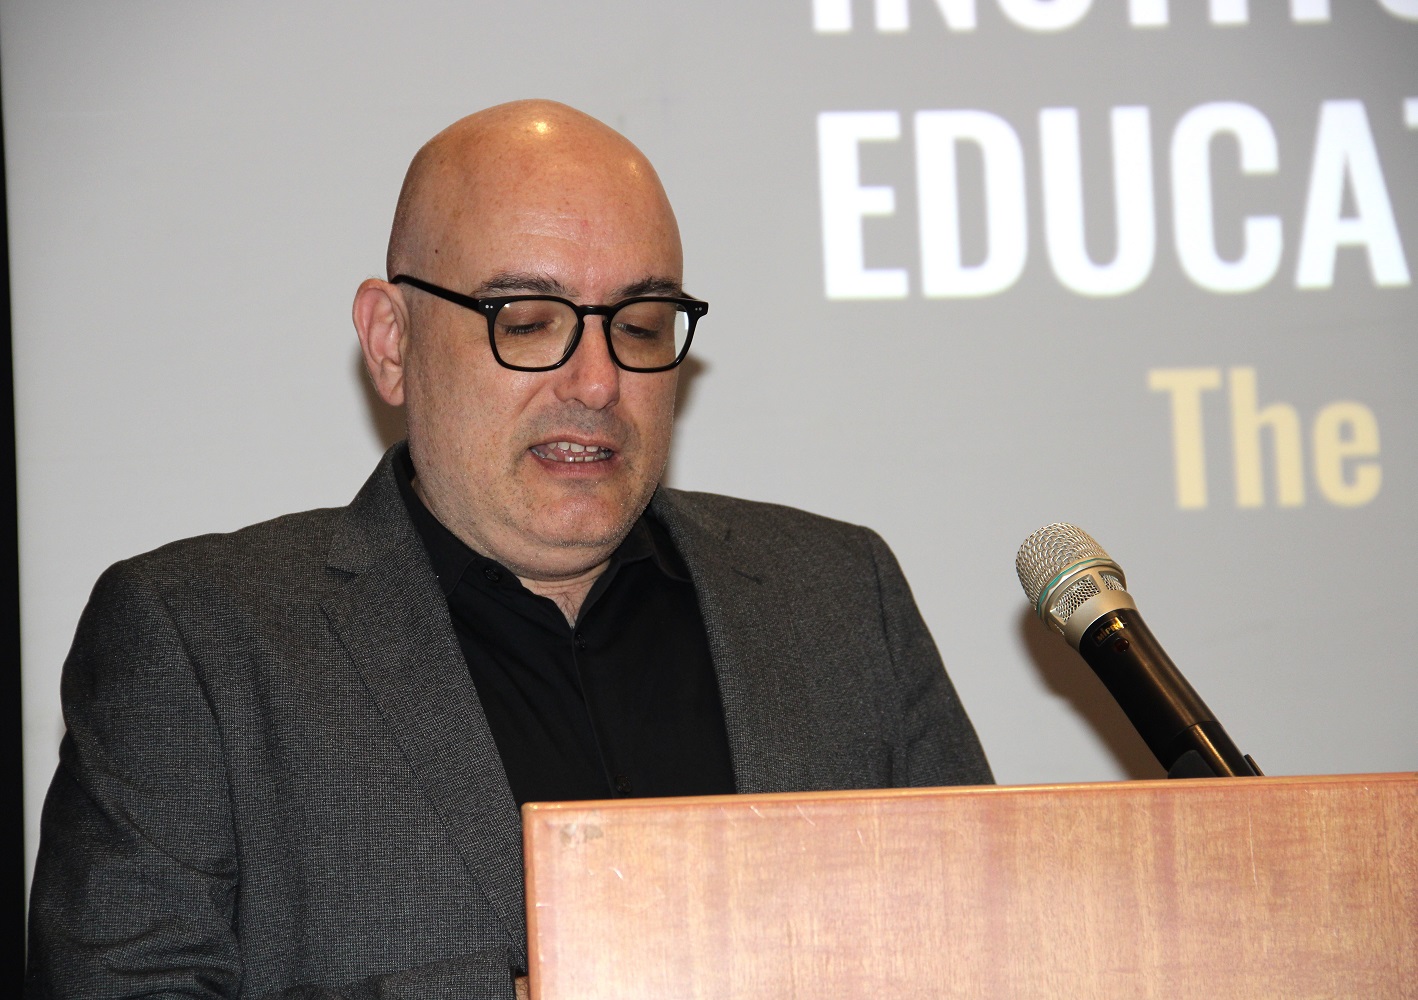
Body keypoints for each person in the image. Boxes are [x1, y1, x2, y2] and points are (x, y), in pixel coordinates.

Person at [26, 100, 992, 998]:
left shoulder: (839, 597)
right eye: (528, 322)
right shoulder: (200, 644)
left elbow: (996, 947)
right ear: (392, 341)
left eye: (640, 324)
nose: (598, 381)